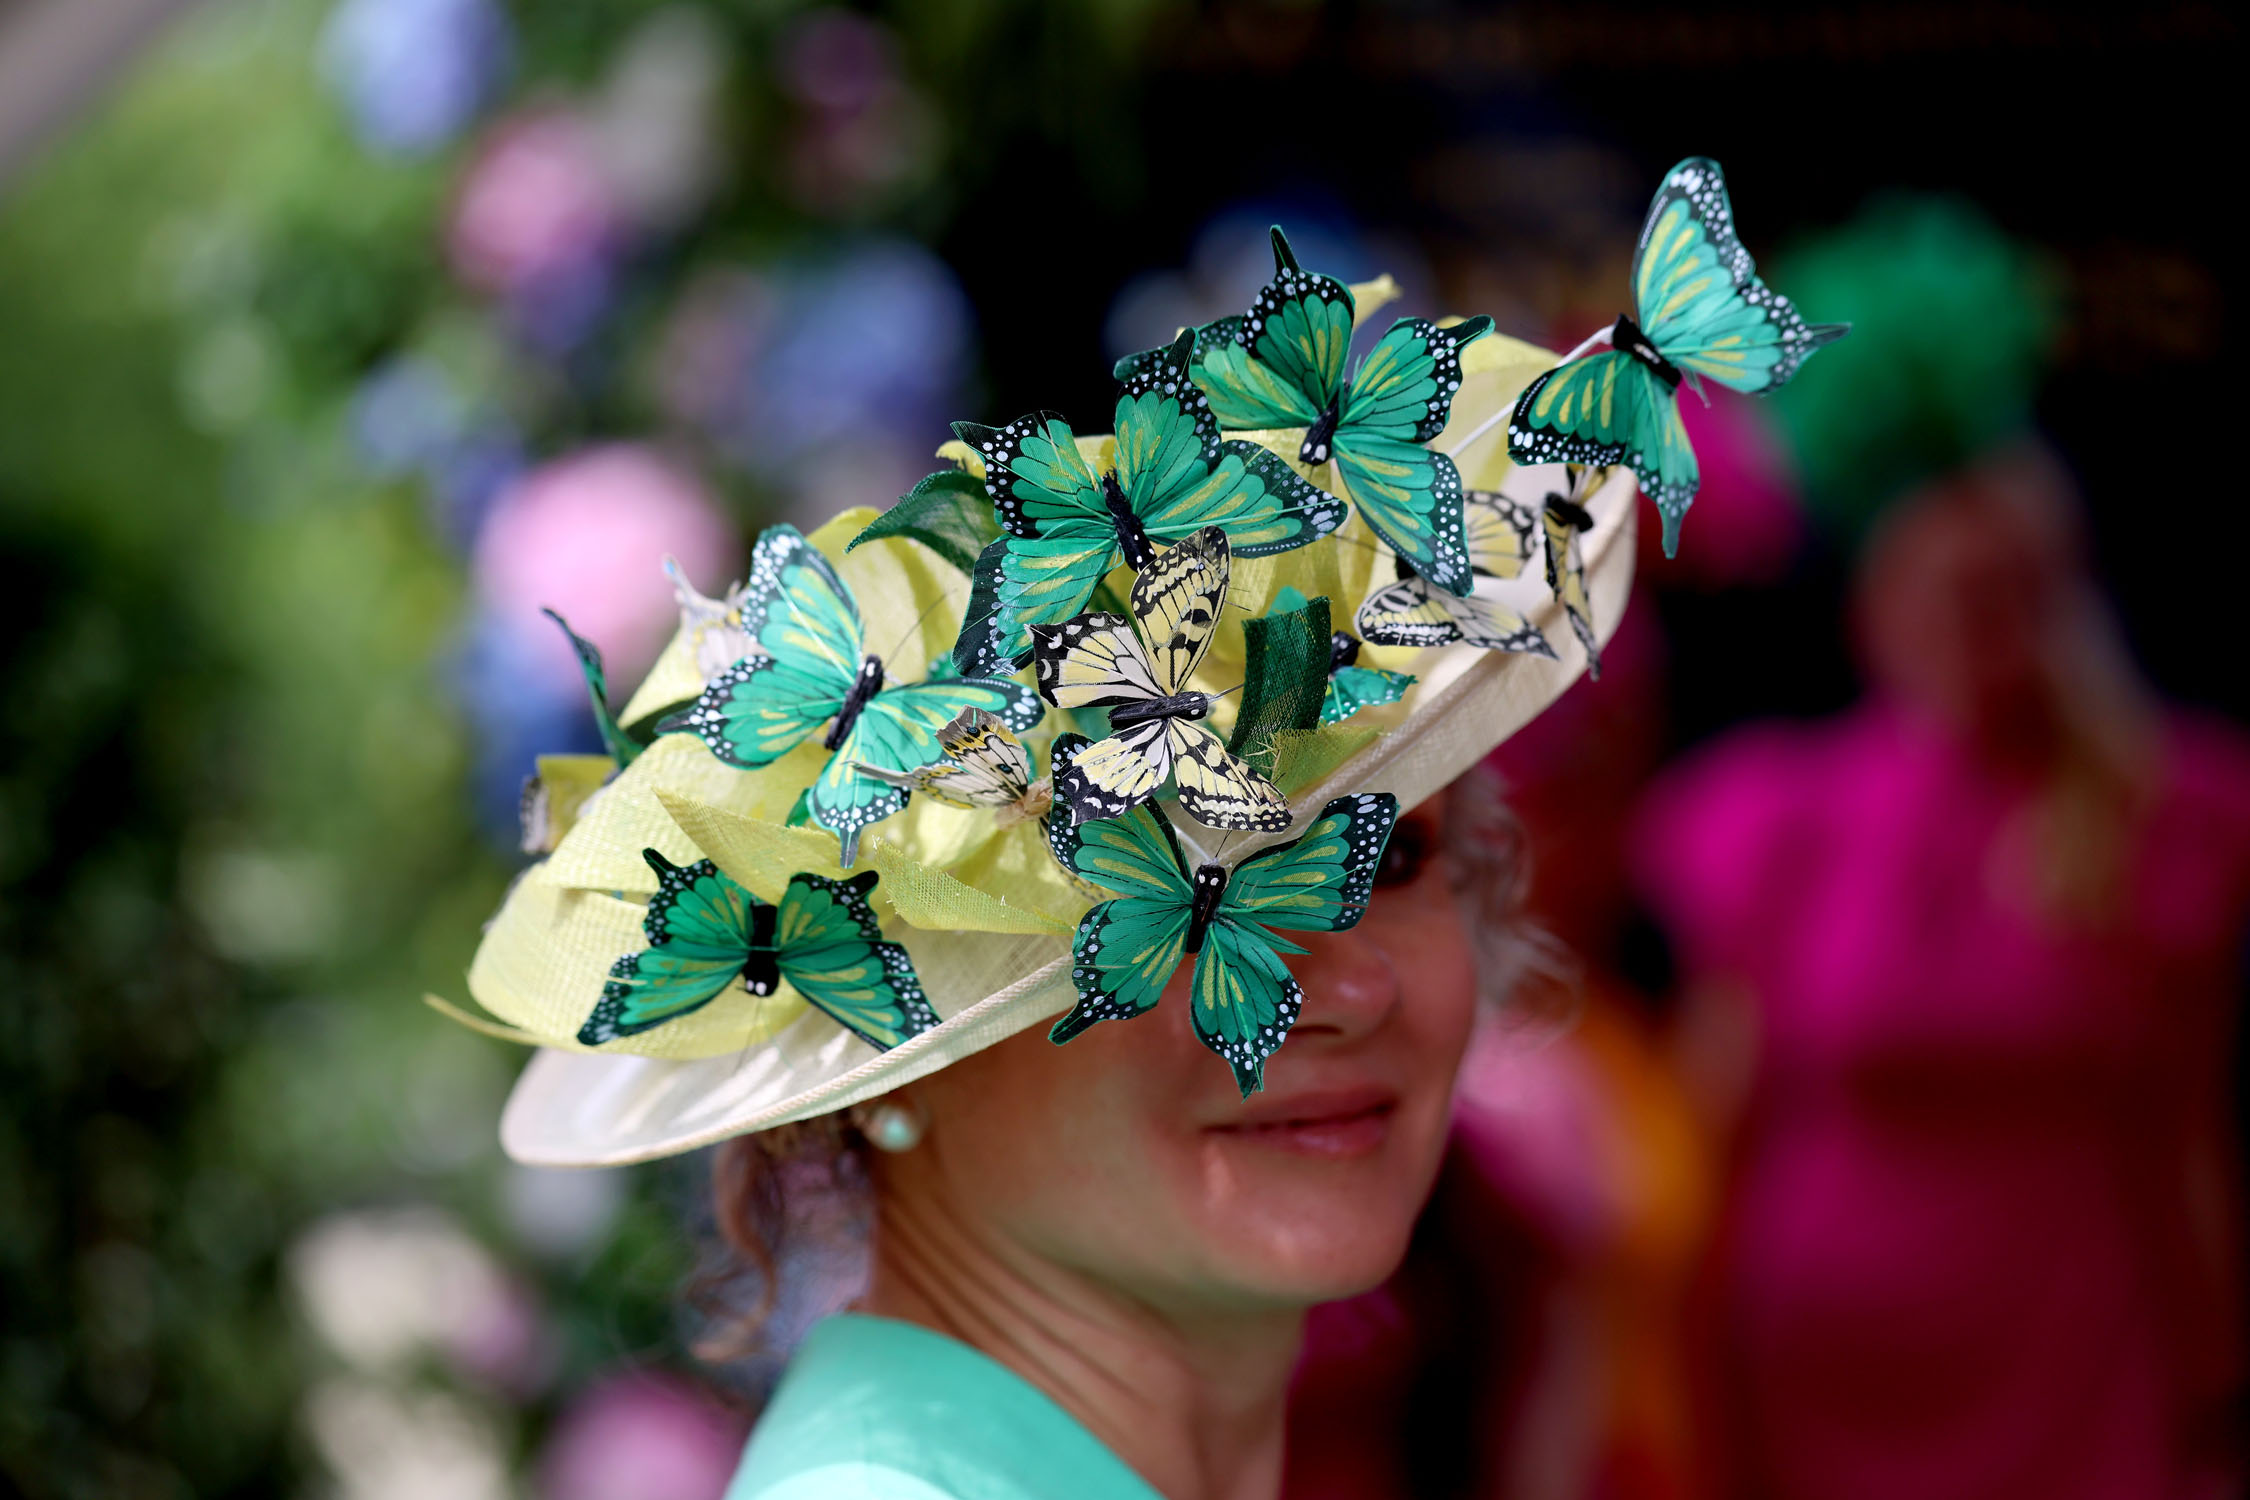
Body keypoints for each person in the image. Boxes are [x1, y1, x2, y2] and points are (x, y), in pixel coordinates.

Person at [1635, 446, 2250, 1500]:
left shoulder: (2151, 811)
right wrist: (1666, 1373)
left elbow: (2189, 1124)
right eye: (1941, 587)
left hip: (2079, 1361)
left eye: (2006, 588)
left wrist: (2218, 1377)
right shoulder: (1782, 815)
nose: (1973, 620)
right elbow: (1710, 1124)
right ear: (1872, 602)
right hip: (1822, 1370)